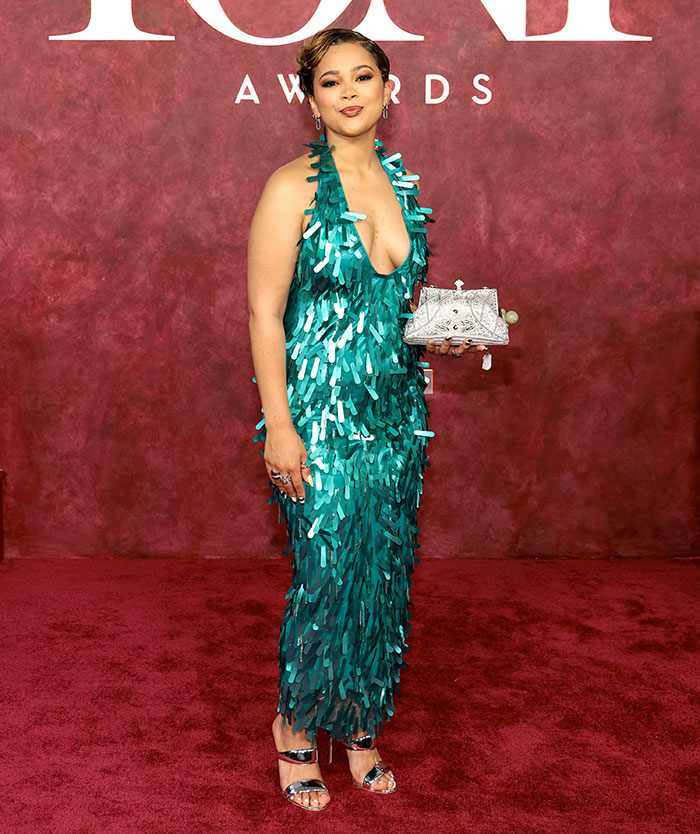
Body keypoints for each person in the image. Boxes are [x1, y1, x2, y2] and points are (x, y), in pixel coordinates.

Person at [247, 27, 487, 812]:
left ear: (388, 89)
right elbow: (264, 312)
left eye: (362, 77)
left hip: (394, 415)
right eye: (330, 81)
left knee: (382, 569)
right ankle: (294, 726)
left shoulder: (402, 186)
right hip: (317, 413)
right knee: (327, 571)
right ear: (311, 100)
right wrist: (280, 426)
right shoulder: (291, 188)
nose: (348, 92)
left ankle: (357, 718)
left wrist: (439, 335)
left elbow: (389, 312)